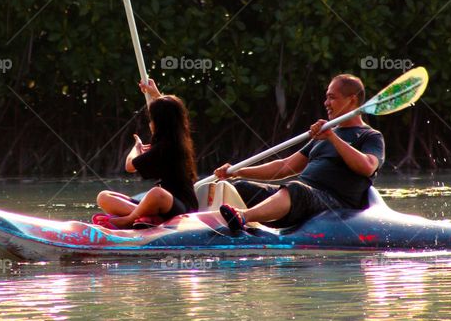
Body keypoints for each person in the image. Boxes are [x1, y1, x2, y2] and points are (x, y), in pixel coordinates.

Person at [213, 74, 385, 232]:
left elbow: (367, 167)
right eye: (326, 97)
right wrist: (237, 172)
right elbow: (285, 166)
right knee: (241, 187)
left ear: (352, 100)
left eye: (332, 98)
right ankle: (219, 222)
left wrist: (332, 137)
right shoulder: (324, 135)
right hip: (298, 199)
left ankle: (243, 217)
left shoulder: (370, 136)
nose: (326, 103)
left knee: (296, 188)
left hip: (334, 203)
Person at [96, 79, 199, 228]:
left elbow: (130, 166)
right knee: (104, 197)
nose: (150, 123)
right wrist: (155, 94)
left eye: (152, 119)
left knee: (156, 193)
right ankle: (150, 217)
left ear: (159, 123)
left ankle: (129, 219)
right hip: (160, 208)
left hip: (181, 208)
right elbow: (172, 112)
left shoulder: (166, 146)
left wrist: (136, 149)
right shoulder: (180, 136)